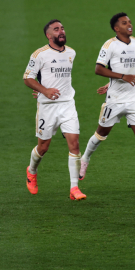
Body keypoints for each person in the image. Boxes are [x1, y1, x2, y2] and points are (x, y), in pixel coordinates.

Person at [78, 13, 135, 192]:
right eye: (124, 23)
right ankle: (85, 158)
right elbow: (99, 68)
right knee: (101, 134)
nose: (129, 25)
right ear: (117, 28)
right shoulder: (110, 45)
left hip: (134, 98)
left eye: (130, 22)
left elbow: (127, 68)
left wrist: (113, 81)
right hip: (115, 100)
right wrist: (121, 78)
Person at [23, 19, 85, 200]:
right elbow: (28, 78)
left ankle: (74, 189)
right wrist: (44, 90)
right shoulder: (39, 55)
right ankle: (31, 171)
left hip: (67, 105)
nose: (61, 31)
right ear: (48, 35)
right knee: (43, 147)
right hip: (47, 108)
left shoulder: (72, 53)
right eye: (56, 30)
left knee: (74, 144)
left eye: (62, 28)